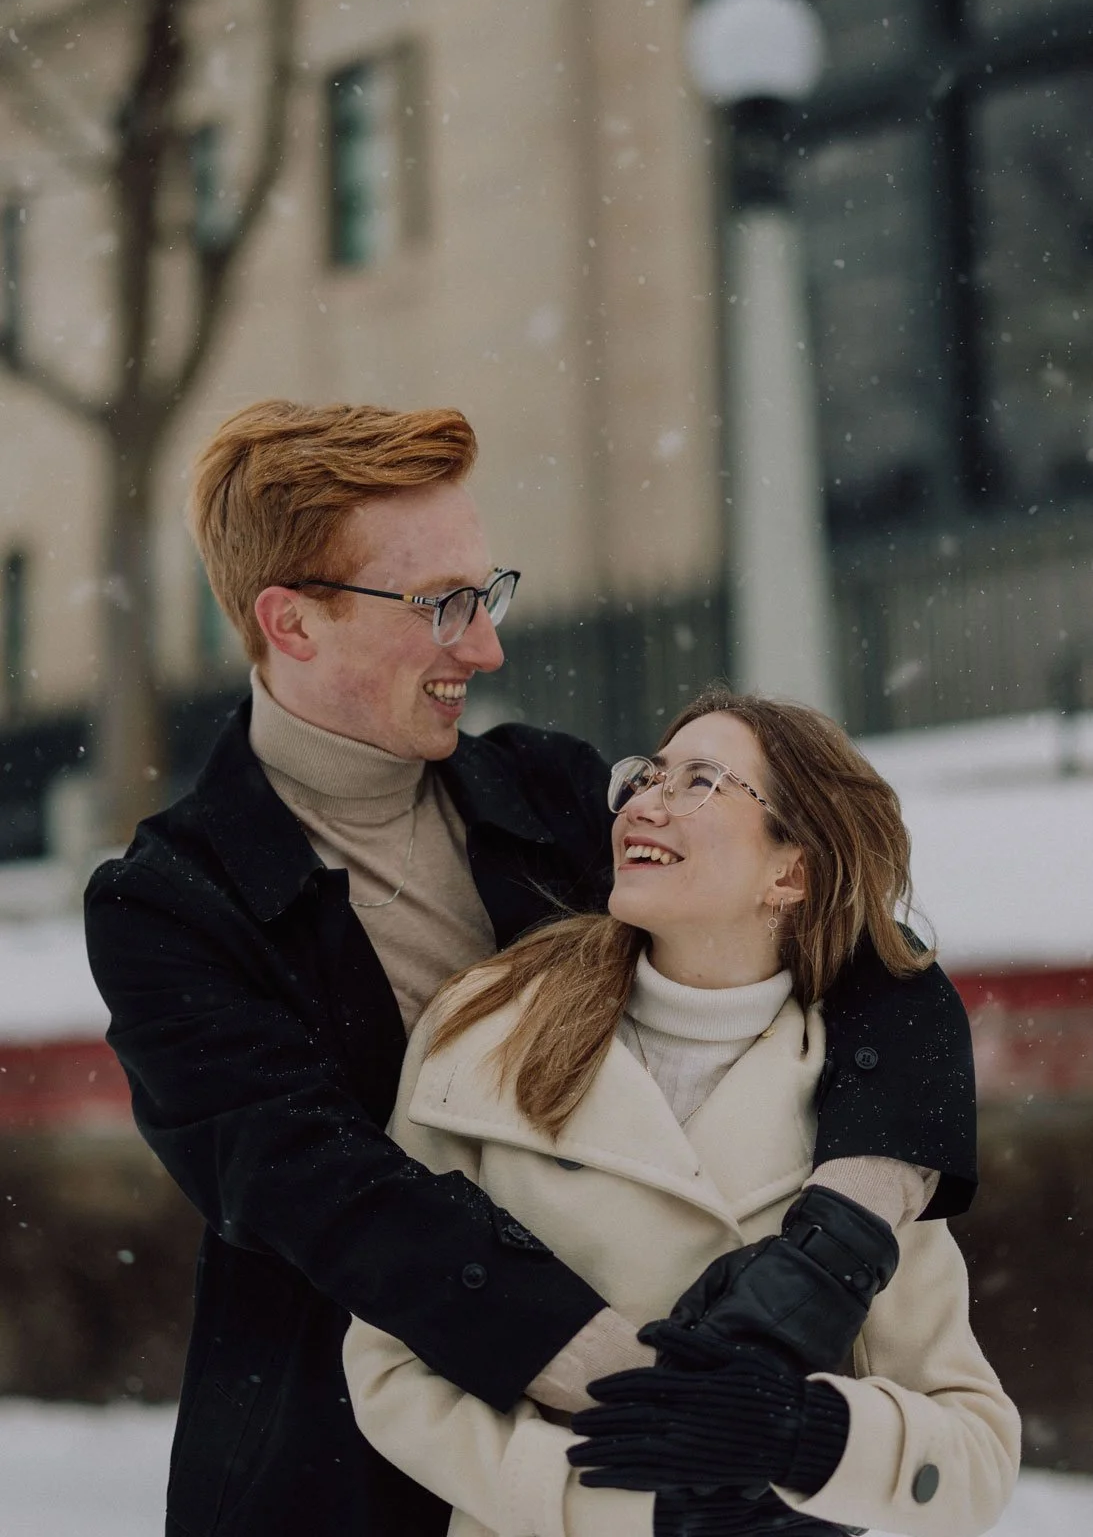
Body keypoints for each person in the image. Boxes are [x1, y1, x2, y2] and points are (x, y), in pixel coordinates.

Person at [84, 400, 978, 1537]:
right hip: (335, 1480)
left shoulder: (554, 798)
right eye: (441, 605)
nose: (488, 644)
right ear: (293, 622)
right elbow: (332, 1196)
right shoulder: (168, 910)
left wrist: (835, 1248)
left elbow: (869, 963)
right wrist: (664, 1408)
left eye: (485, 590)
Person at [342, 688, 1019, 1537]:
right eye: (644, 776)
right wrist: (626, 1501)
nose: (644, 803)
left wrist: (810, 1441)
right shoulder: (486, 1029)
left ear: (790, 870)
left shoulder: (868, 1115)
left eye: (700, 782)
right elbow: (391, 1365)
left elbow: (975, 1452)